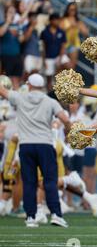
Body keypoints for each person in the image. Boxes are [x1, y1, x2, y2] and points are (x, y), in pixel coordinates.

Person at [0, 73, 71, 227]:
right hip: (45, 145)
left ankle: (30, 217)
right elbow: (65, 119)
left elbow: (3, 91)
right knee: (50, 181)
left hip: (26, 145)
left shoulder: (20, 98)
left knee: (29, 182)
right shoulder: (50, 101)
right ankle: (56, 215)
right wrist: (67, 131)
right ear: (42, 86)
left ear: (30, 85)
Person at [40, 13, 69, 91]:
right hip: (48, 57)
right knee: (49, 78)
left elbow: (63, 46)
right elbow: (43, 47)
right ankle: (49, 94)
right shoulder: (44, 32)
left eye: (58, 20)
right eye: (56, 20)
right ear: (51, 21)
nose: (58, 22)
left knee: (67, 64)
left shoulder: (62, 32)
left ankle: (66, 81)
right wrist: (44, 60)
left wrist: (60, 59)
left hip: (58, 56)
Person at [60, 3, 89, 69]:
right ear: (67, 10)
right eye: (71, 9)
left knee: (72, 67)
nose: (72, 11)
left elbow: (85, 33)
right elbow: (59, 32)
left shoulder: (78, 21)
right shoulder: (63, 20)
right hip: (63, 45)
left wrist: (84, 29)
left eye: (74, 10)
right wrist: (70, 27)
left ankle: (70, 79)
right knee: (62, 66)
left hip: (74, 45)